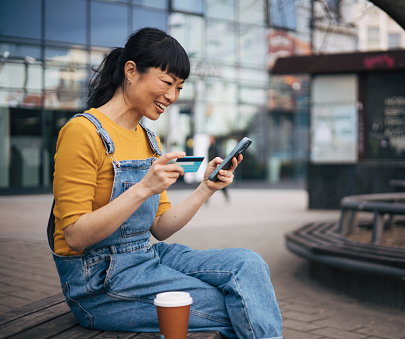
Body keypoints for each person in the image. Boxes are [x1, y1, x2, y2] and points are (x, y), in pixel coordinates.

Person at [49, 27, 283, 339]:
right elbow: (75, 236)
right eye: (167, 82)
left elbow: (160, 226)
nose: (172, 96)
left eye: (180, 88)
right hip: (99, 283)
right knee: (239, 303)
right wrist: (143, 188)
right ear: (131, 71)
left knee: (247, 265)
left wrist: (205, 189)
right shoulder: (82, 133)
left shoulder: (150, 140)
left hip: (144, 257)